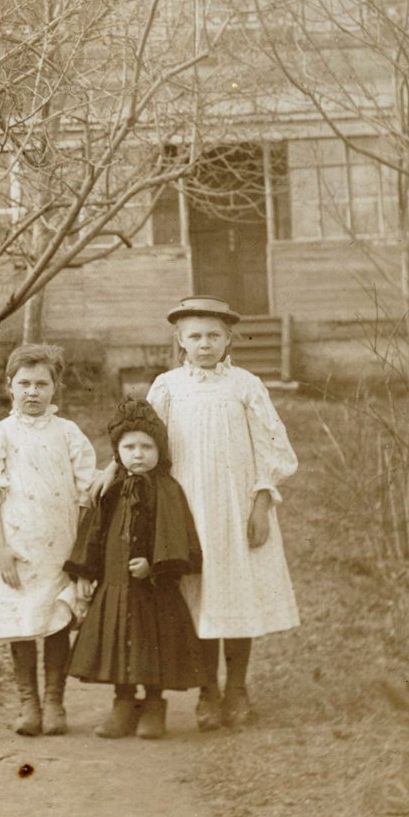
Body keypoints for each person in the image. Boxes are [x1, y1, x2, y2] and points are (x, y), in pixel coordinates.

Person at [147, 295, 300, 730]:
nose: (205, 344)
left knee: (235, 594)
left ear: (229, 338)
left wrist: (262, 503)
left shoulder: (245, 386)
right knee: (198, 599)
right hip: (186, 509)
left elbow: (271, 446)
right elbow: (146, 444)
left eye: (213, 335)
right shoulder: (167, 387)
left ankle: (236, 688)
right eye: (195, 336)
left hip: (236, 507)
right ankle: (207, 692)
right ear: (180, 340)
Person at [0, 342, 99, 736]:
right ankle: (29, 704)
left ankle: (55, 701)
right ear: (10, 386)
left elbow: (89, 489)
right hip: (15, 545)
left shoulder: (68, 433)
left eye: (41, 384)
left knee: (56, 620)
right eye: (24, 384)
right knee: (20, 620)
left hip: (59, 545)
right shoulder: (1, 432)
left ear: (55, 388)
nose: (33, 392)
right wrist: (1, 548)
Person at [63, 399, 204, 739]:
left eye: (146, 447)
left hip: (154, 590)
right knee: (119, 644)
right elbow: (94, 531)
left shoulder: (167, 489)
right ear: (118, 452)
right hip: (115, 585)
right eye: (129, 447)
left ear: (159, 450)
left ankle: (154, 704)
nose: (138, 454)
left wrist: (155, 568)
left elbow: (175, 535)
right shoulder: (110, 488)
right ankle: (123, 703)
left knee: (153, 645)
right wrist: (86, 572)